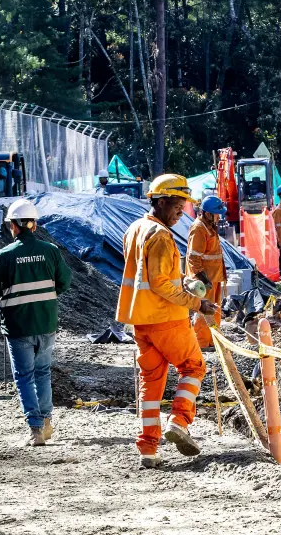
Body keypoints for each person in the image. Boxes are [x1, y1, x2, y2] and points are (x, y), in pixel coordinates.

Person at [116, 174, 217, 468]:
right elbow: (160, 283)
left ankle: (148, 448)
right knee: (194, 367)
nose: (181, 212)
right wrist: (199, 303)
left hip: (141, 321)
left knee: (151, 383)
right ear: (161, 201)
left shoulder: (135, 229)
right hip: (167, 320)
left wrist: (187, 280)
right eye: (177, 205)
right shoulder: (160, 236)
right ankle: (180, 421)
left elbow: (150, 278)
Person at [0, 199, 72, 446]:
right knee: (42, 373)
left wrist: (5, 290)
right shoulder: (51, 250)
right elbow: (65, 281)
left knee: (24, 377)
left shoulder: (5, 255)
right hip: (46, 322)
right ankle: (46, 421)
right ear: (34, 225)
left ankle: (35, 429)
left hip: (18, 324)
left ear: (14, 226)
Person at [187, 195, 227, 350]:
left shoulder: (209, 227)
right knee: (204, 310)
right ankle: (201, 342)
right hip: (204, 280)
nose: (218, 217)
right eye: (216, 214)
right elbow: (193, 258)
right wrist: (203, 279)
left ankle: (212, 340)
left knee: (214, 309)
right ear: (207, 214)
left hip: (213, 277)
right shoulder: (198, 229)